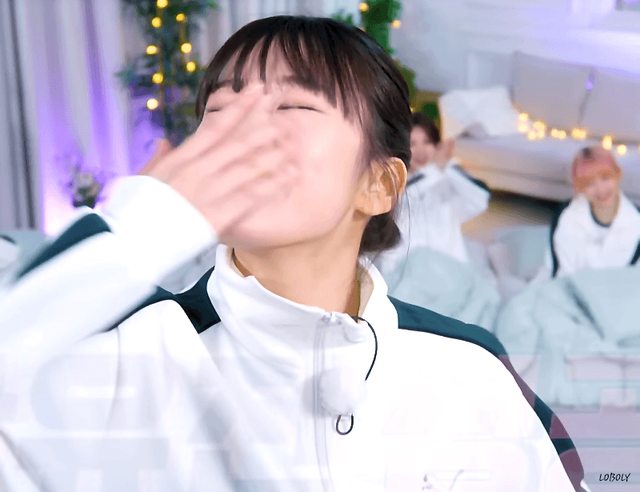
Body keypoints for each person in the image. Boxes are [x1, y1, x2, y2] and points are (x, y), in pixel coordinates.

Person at [0, 16, 583, 491]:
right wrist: (143, 227)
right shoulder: (129, 353)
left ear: (378, 184)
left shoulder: (471, 367)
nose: (242, 133)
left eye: (293, 107)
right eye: (219, 111)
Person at [378, 112, 490, 275]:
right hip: (407, 273)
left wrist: (446, 166)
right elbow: (404, 196)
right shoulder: (394, 183)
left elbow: (481, 197)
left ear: (437, 146)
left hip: (449, 272)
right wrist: (435, 169)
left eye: (427, 142)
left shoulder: (448, 178)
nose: (421, 151)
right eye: (412, 144)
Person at [542, 146, 640, 278]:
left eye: (605, 177)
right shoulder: (566, 217)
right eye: (588, 183)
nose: (600, 189)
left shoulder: (636, 223)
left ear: (618, 174)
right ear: (579, 188)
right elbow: (560, 274)